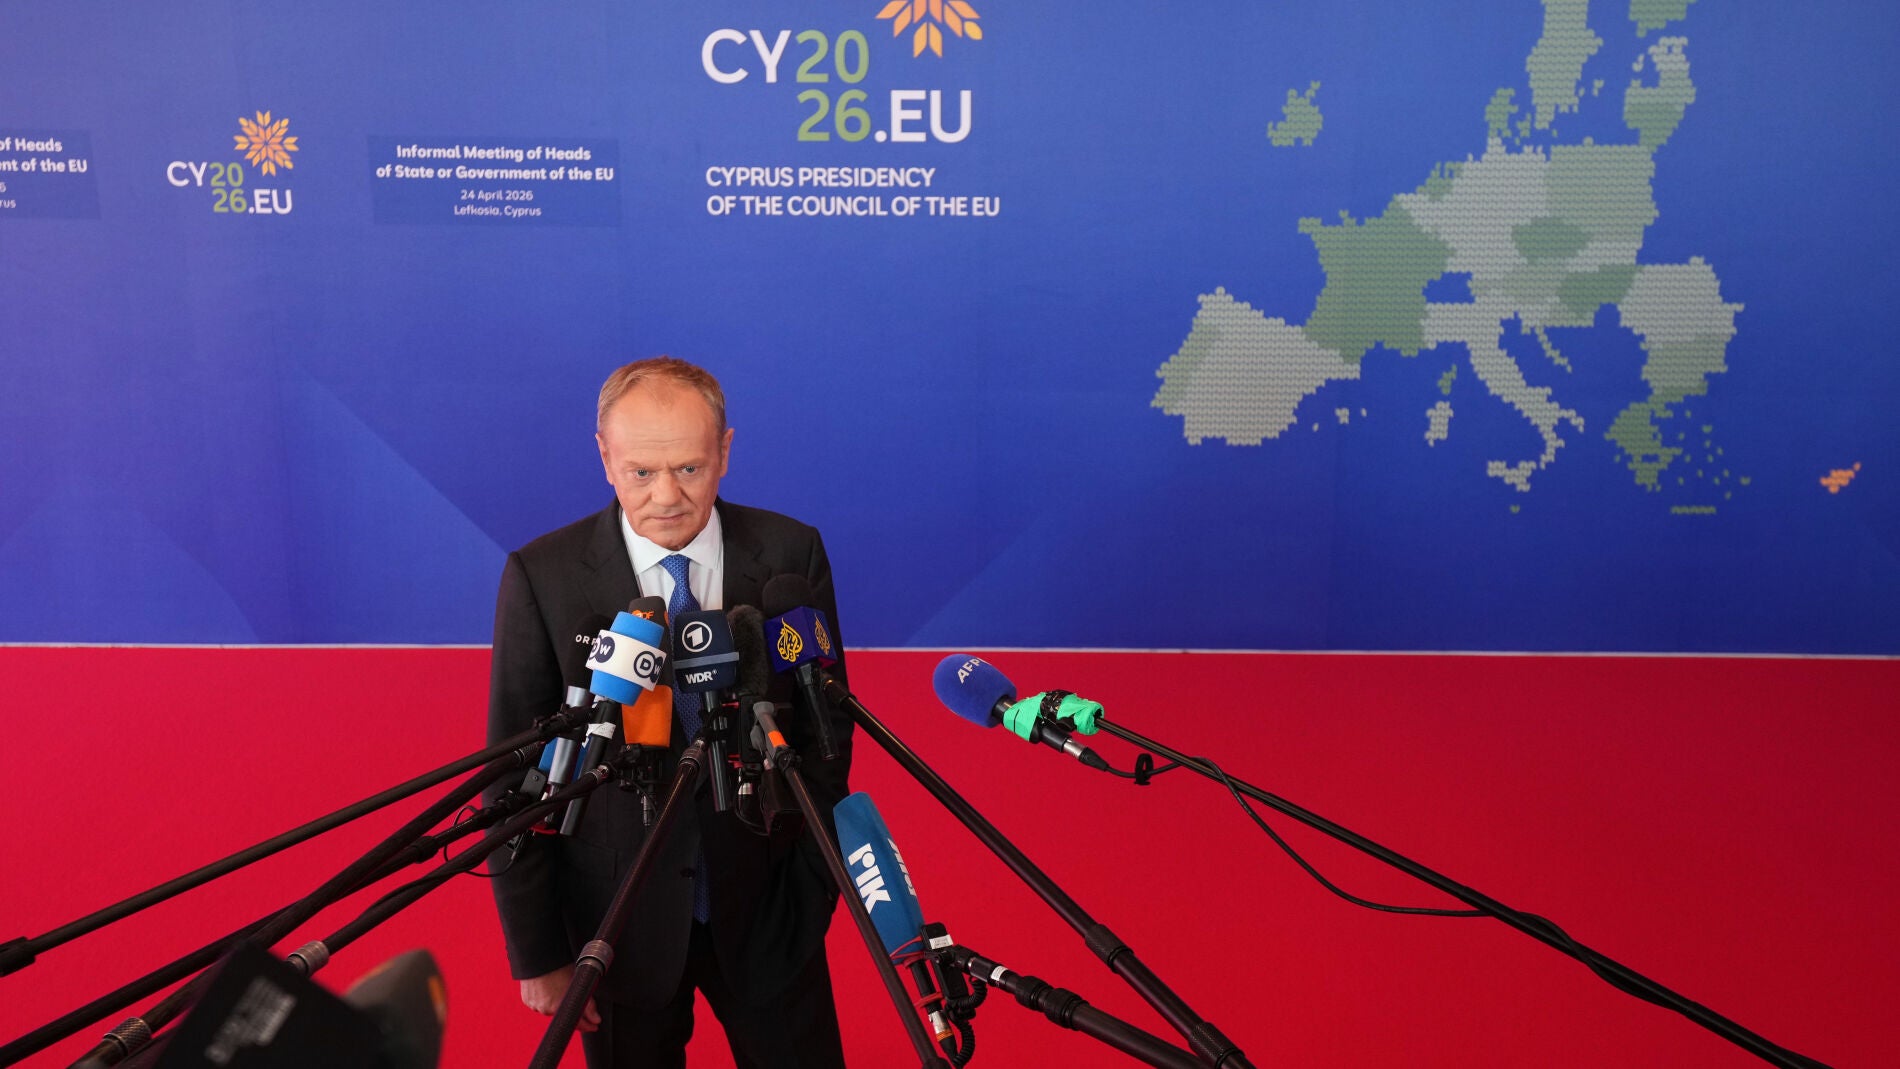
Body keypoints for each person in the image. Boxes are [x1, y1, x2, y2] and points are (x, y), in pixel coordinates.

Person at [485, 357, 852, 1068]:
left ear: (725, 451)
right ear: (604, 456)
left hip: (770, 915)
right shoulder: (544, 576)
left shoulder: (790, 553)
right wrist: (539, 951)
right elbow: (514, 778)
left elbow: (826, 732)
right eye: (641, 472)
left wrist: (812, 888)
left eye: (688, 468)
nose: (666, 496)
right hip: (615, 927)